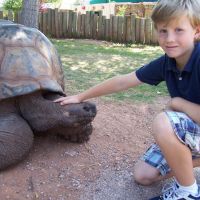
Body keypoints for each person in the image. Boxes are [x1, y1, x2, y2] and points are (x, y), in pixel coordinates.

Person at [55, 0, 200, 199]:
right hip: (193, 129)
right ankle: (186, 165)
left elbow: (178, 109)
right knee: (143, 175)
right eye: (163, 31)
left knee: (164, 122)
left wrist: (178, 103)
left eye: (179, 30)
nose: (169, 38)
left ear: (197, 31)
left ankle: (189, 191)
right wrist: (80, 96)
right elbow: (123, 82)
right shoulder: (167, 63)